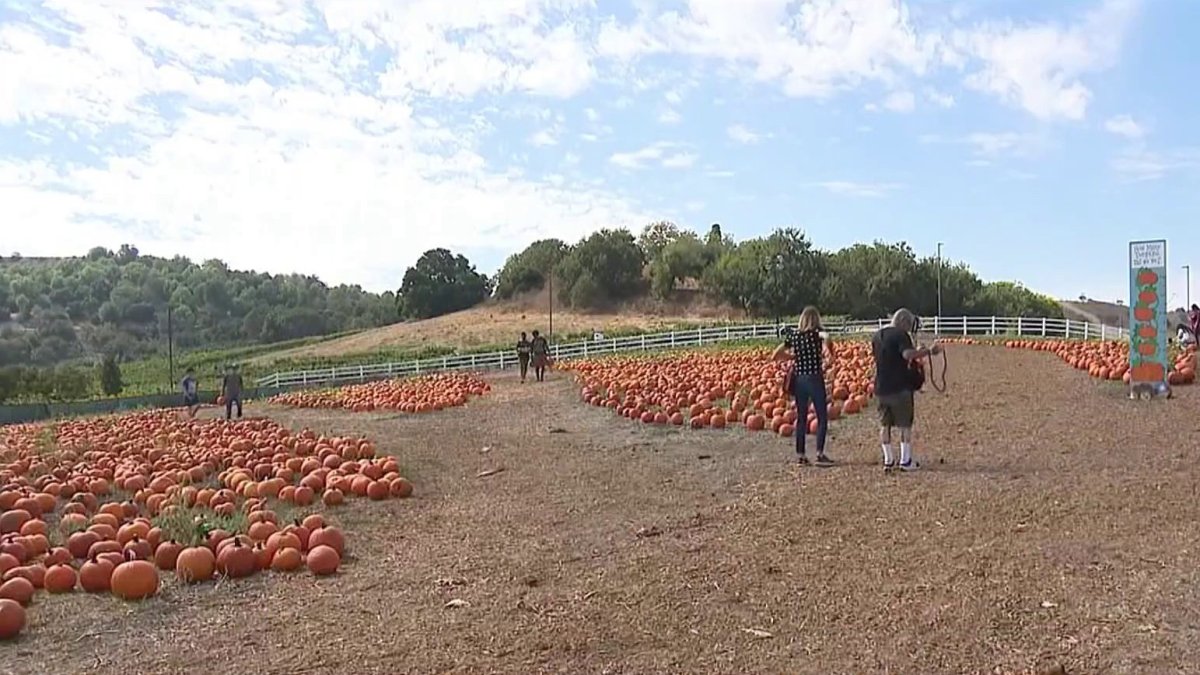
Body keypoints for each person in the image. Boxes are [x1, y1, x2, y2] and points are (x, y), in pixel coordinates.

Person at [871, 308, 942, 472]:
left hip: (881, 387)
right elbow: (907, 355)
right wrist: (928, 351)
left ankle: (888, 460)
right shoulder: (900, 335)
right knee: (905, 425)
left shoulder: (877, 336)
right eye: (909, 325)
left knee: (885, 425)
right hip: (899, 387)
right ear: (903, 321)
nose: (910, 329)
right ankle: (905, 460)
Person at [772, 306, 835, 466]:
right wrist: (829, 351)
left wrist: (792, 356)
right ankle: (820, 454)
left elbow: (775, 355)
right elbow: (827, 337)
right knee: (821, 416)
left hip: (799, 380)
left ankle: (801, 455)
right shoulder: (816, 333)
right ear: (816, 320)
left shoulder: (794, 336)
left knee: (801, 418)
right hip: (815, 378)